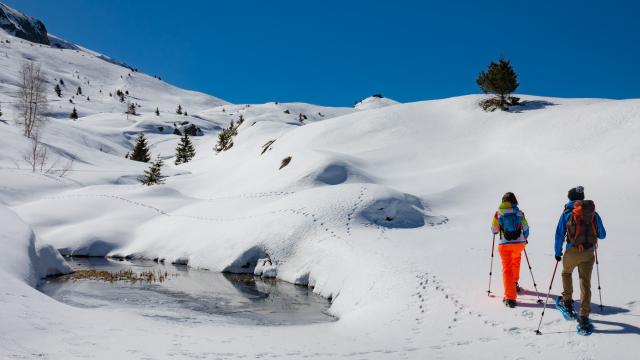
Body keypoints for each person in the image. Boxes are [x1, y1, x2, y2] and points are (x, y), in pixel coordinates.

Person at [554, 186, 606, 330]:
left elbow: (559, 234)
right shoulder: (593, 213)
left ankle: (567, 302)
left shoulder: (566, 213)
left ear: (569, 198)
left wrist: (557, 253)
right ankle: (583, 316)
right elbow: (602, 234)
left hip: (572, 251)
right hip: (589, 252)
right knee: (585, 282)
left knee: (566, 273)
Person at [491, 192, 530, 308]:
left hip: (505, 245)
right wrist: (523, 238)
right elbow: (526, 229)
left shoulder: (498, 213)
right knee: (516, 260)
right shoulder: (519, 213)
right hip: (519, 244)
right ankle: (515, 283)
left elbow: (494, 230)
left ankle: (510, 297)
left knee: (507, 269)